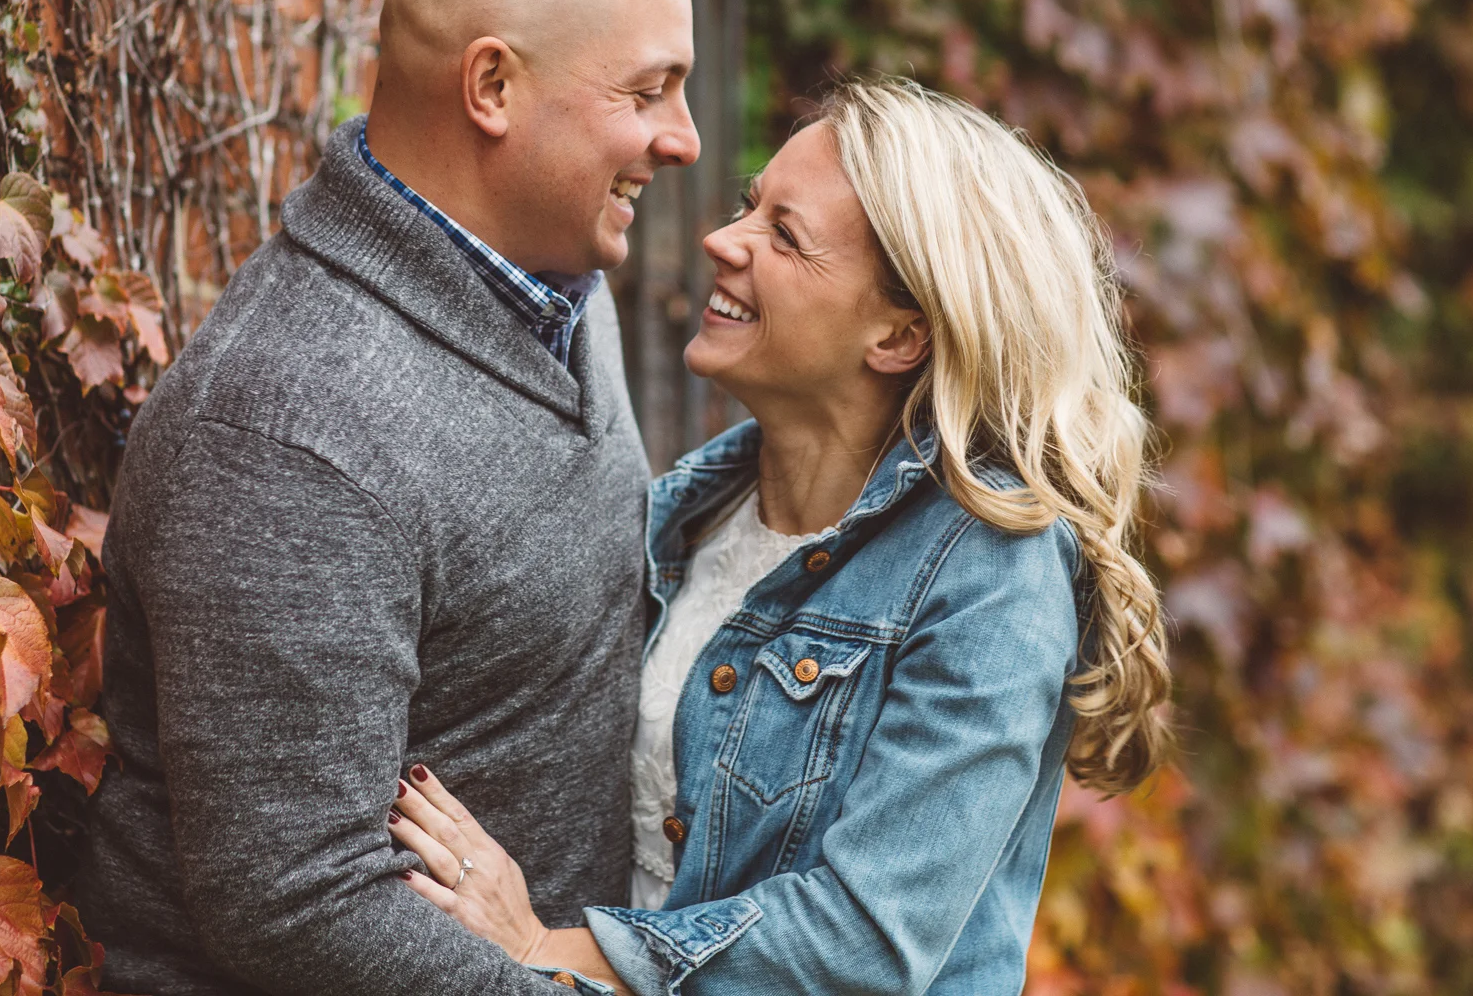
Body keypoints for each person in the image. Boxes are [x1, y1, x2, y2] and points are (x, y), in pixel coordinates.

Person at [387, 78, 1174, 994]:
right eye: (748, 206)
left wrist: (545, 950)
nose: (724, 241)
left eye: (785, 237)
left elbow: (866, 941)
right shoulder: (686, 513)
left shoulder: (990, 567)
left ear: (900, 334)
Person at [78, 0, 701, 994]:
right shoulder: (286, 427)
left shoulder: (553, 281)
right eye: (650, 91)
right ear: (495, 86)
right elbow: (299, 899)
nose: (685, 140)